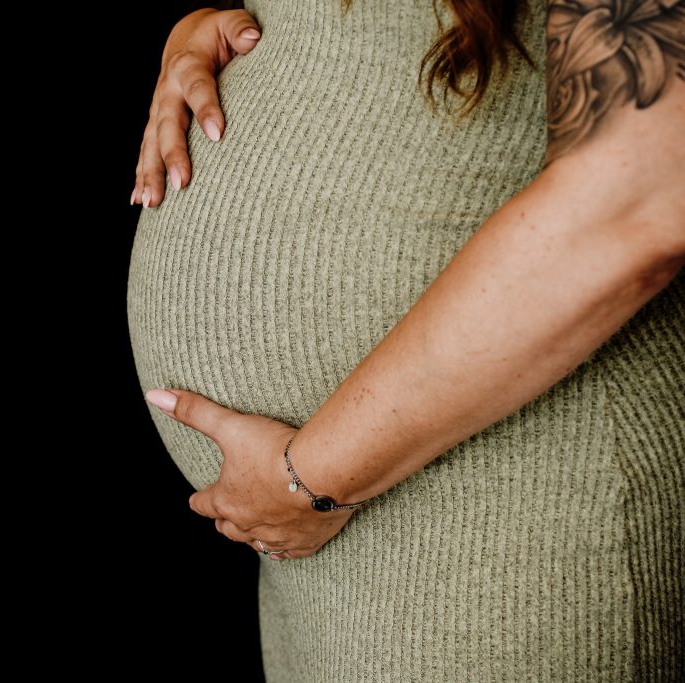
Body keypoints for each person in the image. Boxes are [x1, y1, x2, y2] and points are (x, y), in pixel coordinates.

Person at [127, 1, 683, 680]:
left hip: (503, 517)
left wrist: (314, 480)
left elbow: (640, 199)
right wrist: (232, 33)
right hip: (323, 522)